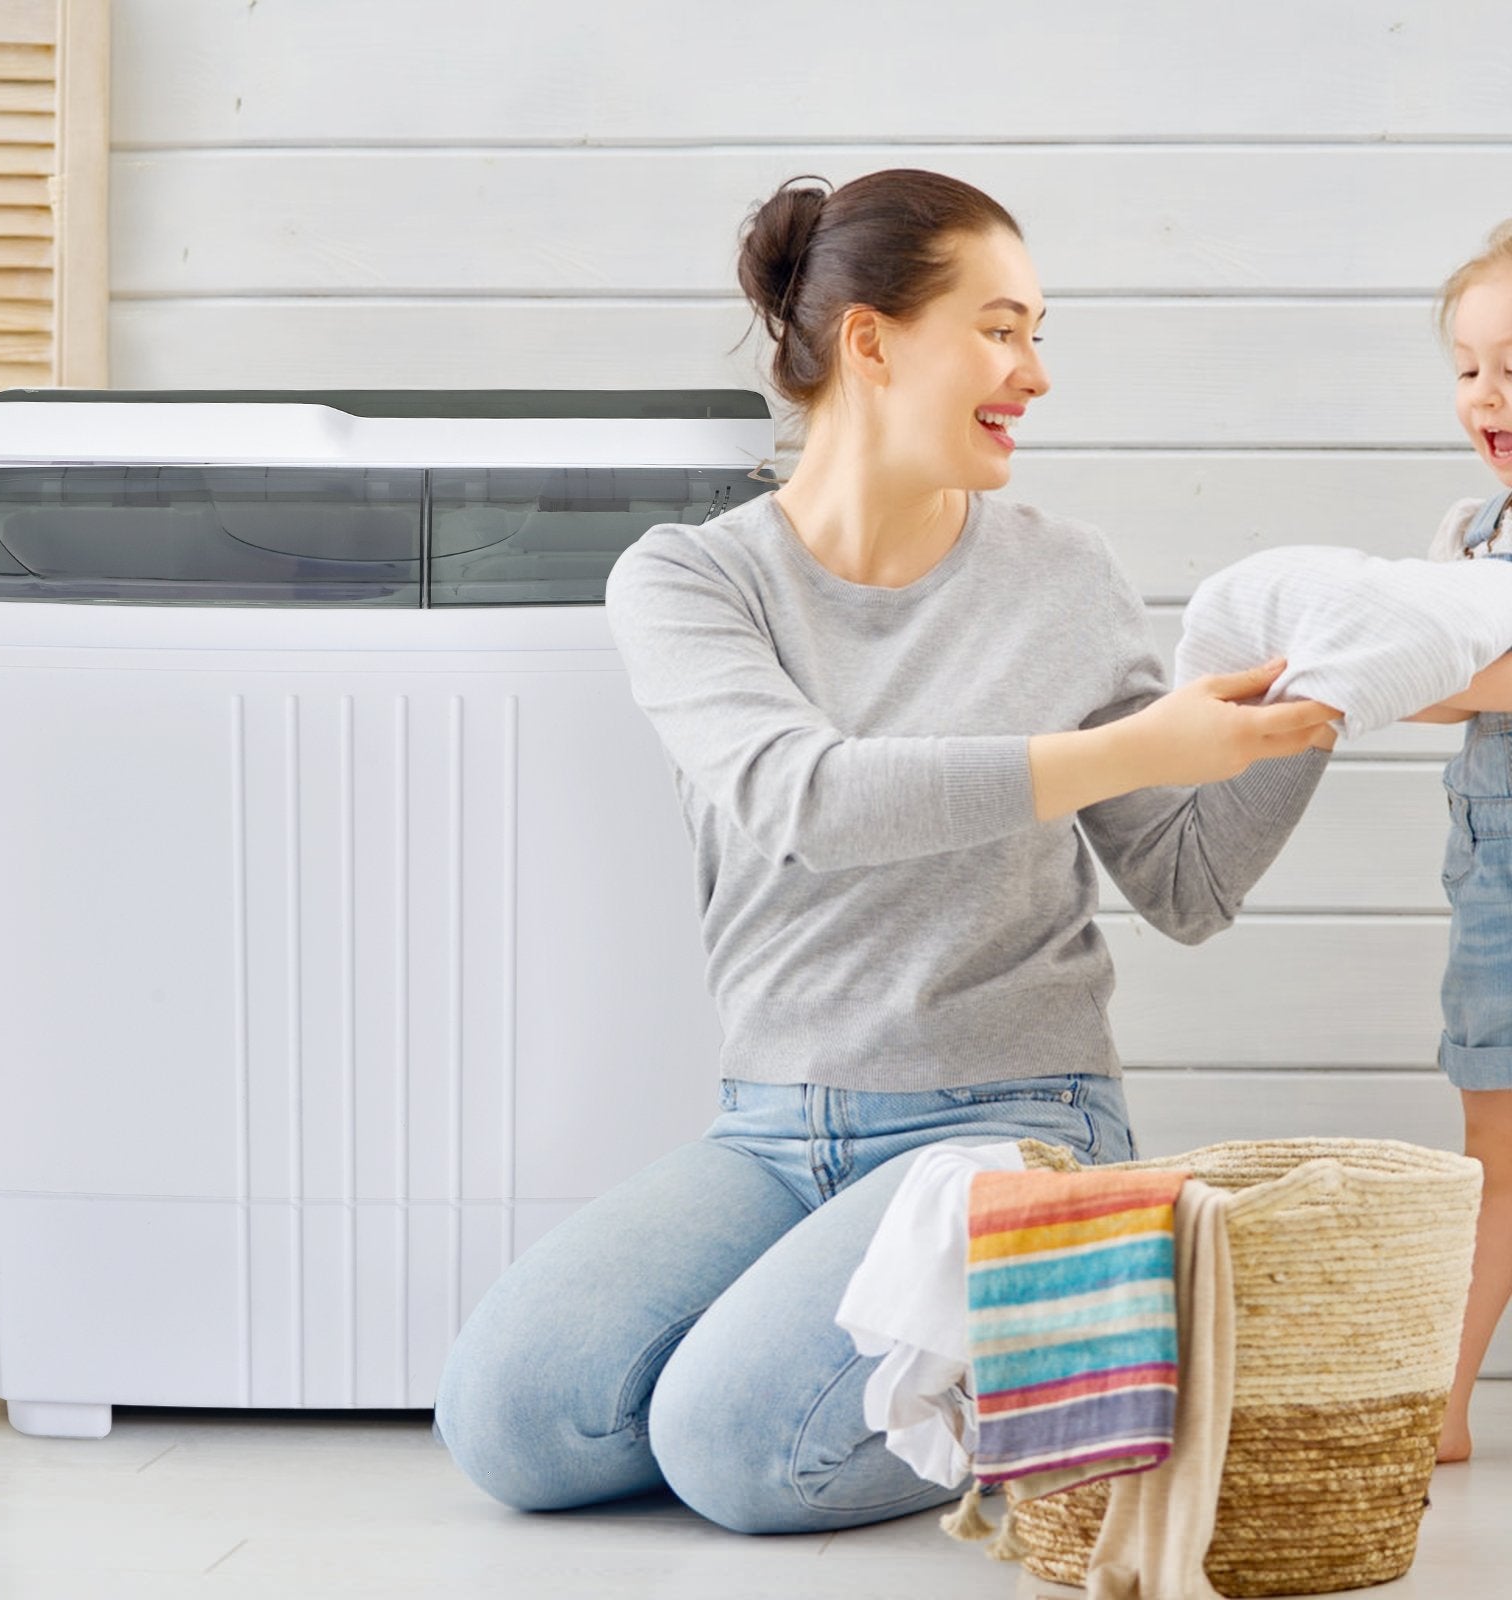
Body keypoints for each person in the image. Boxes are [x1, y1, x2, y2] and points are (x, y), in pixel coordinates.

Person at [433, 169, 1337, 1533]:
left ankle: (1079, 1335)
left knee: (736, 1455)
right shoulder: (692, 579)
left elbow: (1186, 885)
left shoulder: (1064, 574)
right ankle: (1050, 1357)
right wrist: (1140, 744)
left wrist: (1315, 711)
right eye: (1000, 327)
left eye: (1037, 333)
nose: (1032, 373)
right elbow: (809, 800)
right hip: (771, 1130)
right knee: (515, 1423)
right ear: (871, 340)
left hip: (1011, 1121)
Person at [1406, 219, 1512, 1463]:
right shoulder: (1468, 533)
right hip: (1500, 876)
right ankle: (1439, 1395)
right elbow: (1422, 682)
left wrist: (1464, 668)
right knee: (1494, 1150)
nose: (1488, 396)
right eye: (1469, 365)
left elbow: (1445, 671)